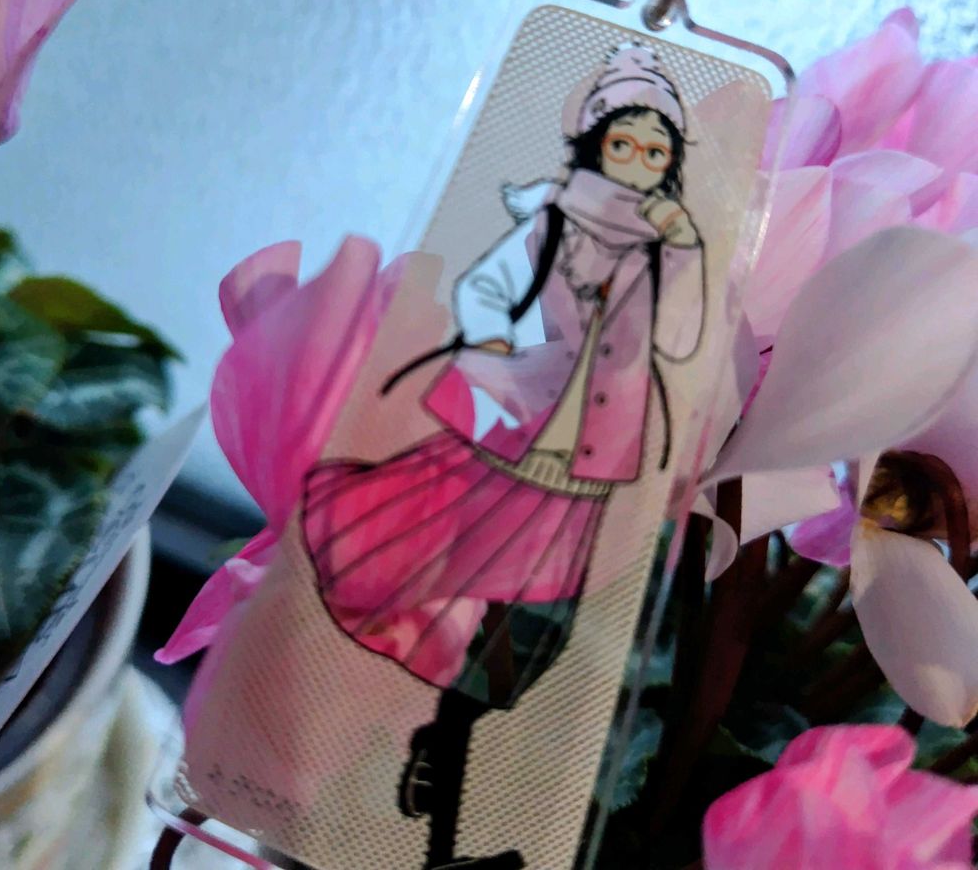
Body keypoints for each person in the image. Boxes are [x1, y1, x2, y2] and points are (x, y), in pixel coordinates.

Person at [301, 44, 705, 870]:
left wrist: (689, 252)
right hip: (533, 422)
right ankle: (439, 762)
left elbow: (682, 339)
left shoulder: (659, 244)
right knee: (485, 604)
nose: (637, 162)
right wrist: (491, 337)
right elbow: (487, 284)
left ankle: (443, 754)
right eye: (623, 145)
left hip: (603, 445)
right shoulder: (554, 216)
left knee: (538, 632)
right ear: (595, 145)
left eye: (654, 152)